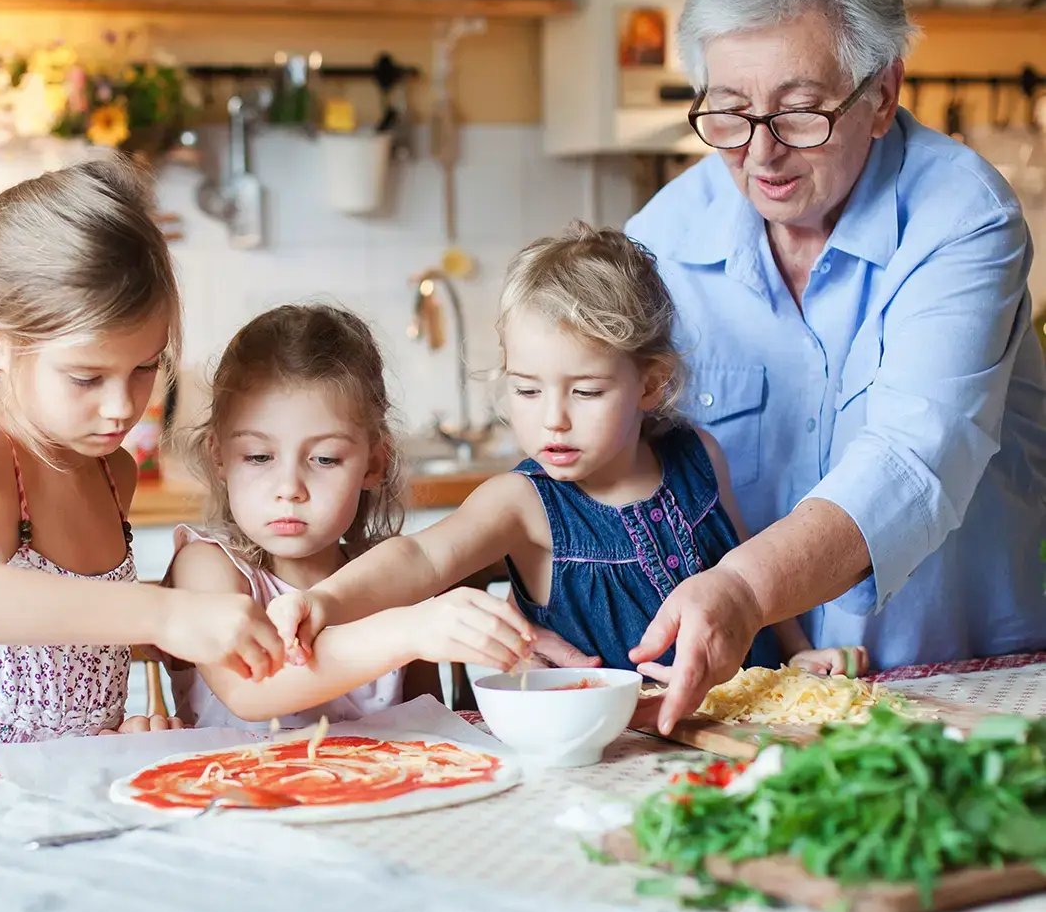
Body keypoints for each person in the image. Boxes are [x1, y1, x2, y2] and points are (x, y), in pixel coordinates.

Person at [624, 0, 1046, 732]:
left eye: (800, 113)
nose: (761, 154)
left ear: (882, 94)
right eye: (730, 112)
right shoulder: (662, 240)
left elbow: (910, 461)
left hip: (962, 688)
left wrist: (744, 588)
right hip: (751, 702)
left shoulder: (963, 218)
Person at [266, 224, 861, 681]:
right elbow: (419, 559)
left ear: (650, 384)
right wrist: (325, 600)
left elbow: (748, 565)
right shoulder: (520, 503)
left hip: (751, 721)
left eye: (586, 391)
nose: (553, 417)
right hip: (618, 754)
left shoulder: (697, 455)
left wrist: (801, 654)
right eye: (527, 389)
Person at [0, 158, 284, 774]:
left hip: (60, 783)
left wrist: (174, 641)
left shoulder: (114, 473)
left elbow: (61, 627)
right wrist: (163, 614)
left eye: (144, 367)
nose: (122, 408)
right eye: (86, 377)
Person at [165, 304, 534, 728]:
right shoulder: (207, 567)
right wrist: (412, 631)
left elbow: (429, 729)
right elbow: (249, 690)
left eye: (324, 459)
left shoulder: (392, 584)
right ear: (219, 456)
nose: (289, 488)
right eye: (259, 456)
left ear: (374, 463)